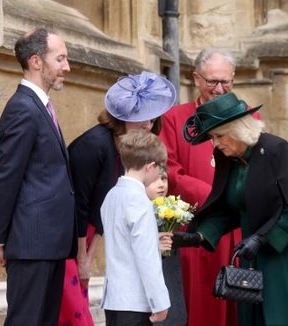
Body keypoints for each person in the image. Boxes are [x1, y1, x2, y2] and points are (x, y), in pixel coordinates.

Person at [174, 92, 288, 326]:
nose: (215, 143)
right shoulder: (227, 157)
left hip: (287, 250)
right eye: (212, 138)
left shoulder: (274, 149)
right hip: (253, 253)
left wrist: (262, 239)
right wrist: (198, 235)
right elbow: (227, 208)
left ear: (238, 128)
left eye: (219, 136)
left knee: (286, 315)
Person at [60, 71, 176, 325]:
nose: (147, 125)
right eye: (139, 119)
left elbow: (104, 209)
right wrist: (82, 255)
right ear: (120, 118)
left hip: (90, 232)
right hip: (67, 234)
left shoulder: (128, 152)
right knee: (74, 311)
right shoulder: (94, 145)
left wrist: (90, 256)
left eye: (150, 119)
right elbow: (79, 204)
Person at [159, 47, 259, 326]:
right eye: (212, 81)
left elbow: (258, 170)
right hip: (197, 227)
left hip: (238, 227)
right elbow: (170, 171)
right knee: (200, 304)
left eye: (225, 81)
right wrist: (214, 197)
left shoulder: (250, 118)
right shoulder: (175, 119)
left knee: (239, 303)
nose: (219, 88)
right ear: (197, 79)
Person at [0, 27, 77, 325]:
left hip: (47, 242)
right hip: (31, 242)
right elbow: (7, 176)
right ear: (36, 61)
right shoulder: (22, 108)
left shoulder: (39, 107)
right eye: (61, 58)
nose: (67, 67)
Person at [101, 129, 170, 325]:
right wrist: (160, 302)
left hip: (114, 299)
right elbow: (146, 258)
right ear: (150, 166)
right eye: (160, 169)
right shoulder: (139, 201)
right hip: (135, 302)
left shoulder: (111, 196)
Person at [146, 167, 188, 326]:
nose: (161, 185)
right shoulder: (138, 213)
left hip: (172, 286)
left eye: (163, 179)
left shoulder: (171, 208)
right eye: (154, 180)